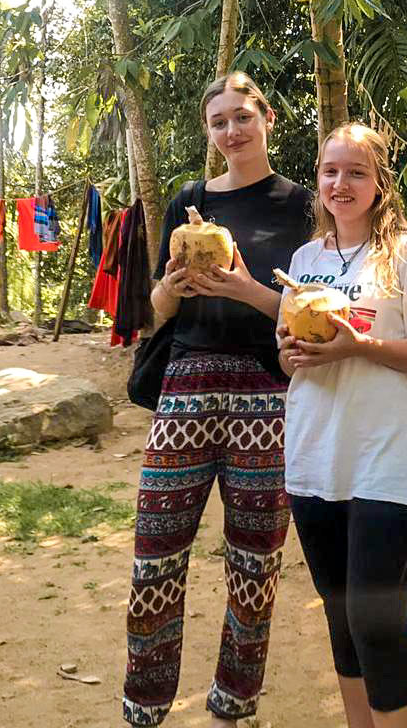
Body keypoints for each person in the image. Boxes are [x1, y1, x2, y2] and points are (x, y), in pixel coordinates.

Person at [124, 72, 313, 727]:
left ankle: (236, 699)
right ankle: (145, 702)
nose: (232, 130)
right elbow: (157, 305)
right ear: (209, 132)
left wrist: (246, 290)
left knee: (255, 557)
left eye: (242, 116)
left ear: (266, 117)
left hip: (267, 386)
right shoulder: (188, 202)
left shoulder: (303, 207)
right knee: (157, 545)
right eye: (219, 122)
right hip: (187, 381)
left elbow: (313, 308)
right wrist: (175, 285)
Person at [276, 122, 407, 728]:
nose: (341, 182)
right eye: (331, 171)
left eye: (356, 171)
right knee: (340, 617)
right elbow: (290, 360)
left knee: (376, 625)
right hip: (313, 457)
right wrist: (291, 348)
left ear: (381, 182)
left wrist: (359, 347)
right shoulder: (306, 260)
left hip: (387, 461)